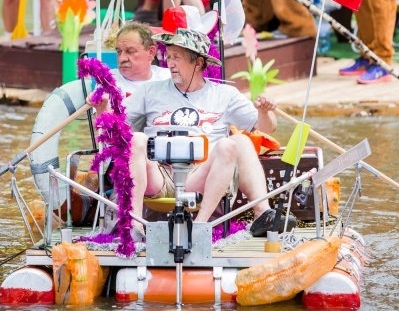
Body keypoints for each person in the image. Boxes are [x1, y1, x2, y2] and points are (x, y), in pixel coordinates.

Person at [95, 28, 295, 238]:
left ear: (198, 63)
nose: (169, 63)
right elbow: (112, 129)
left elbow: (266, 128)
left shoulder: (224, 94)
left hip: (201, 176)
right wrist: (102, 109)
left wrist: (265, 112)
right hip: (160, 176)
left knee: (235, 143)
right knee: (136, 139)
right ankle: (134, 226)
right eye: (168, 57)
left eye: (177, 58)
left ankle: (215, 225)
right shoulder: (149, 91)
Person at [110, 22, 171, 96]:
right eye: (119, 51)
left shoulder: (169, 78)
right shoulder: (108, 81)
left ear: (151, 52)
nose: (121, 59)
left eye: (130, 51)